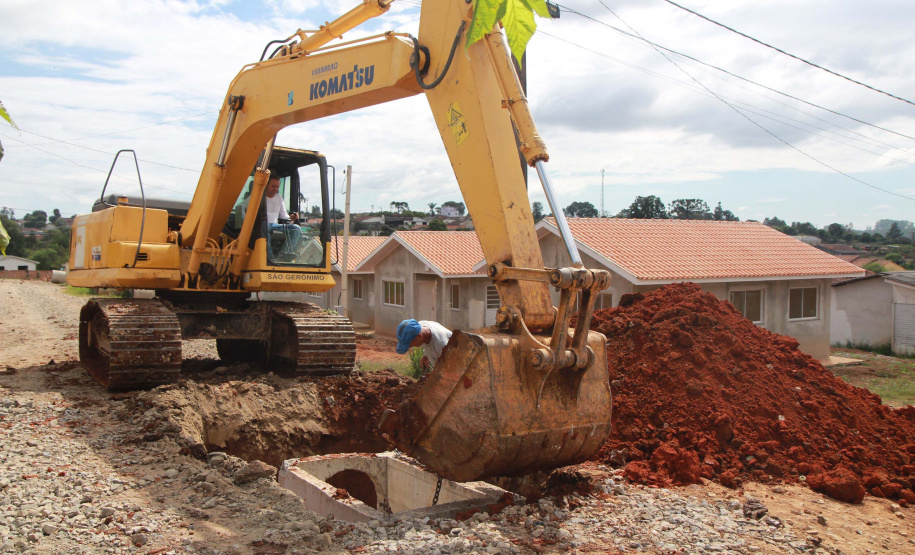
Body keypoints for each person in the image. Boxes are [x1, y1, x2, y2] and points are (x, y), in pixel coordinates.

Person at [265, 175, 300, 258]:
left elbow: (284, 216)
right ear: (267, 185)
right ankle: (269, 258)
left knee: (296, 228)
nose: (275, 189)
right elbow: (241, 207)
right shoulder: (259, 196)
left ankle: (283, 255)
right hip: (263, 225)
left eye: (277, 187)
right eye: (273, 186)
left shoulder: (279, 197)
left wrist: (292, 218)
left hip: (275, 225)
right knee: (264, 227)